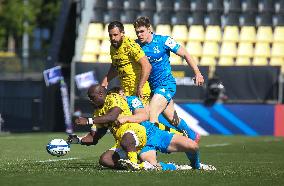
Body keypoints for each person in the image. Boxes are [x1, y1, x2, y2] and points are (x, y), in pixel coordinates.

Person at [111, 87, 215, 171]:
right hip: (142, 143)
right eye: (116, 97)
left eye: (121, 95)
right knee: (153, 166)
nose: (120, 98)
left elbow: (143, 116)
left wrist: (125, 119)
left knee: (193, 146)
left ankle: (196, 166)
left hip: (154, 133)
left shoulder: (132, 100)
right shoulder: (113, 111)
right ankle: (174, 167)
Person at [74, 84, 149, 169]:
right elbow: (93, 138)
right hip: (122, 142)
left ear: (101, 94)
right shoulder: (98, 111)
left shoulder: (113, 97)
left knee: (126, 139)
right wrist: (76, 140)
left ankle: (133, 163)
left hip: (135, 132)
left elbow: (112, 116)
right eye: (89, 98)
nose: (91, 100)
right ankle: (140, 166)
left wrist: (88, 121)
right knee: (105, 160)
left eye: (92, 97)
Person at [101, 21, 152, 106]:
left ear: (122, 33)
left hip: (139, 92)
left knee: (141, 118)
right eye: (110, 35)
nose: (113, 38)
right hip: (126, 92)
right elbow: (116, 66)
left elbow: (147, 66)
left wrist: (140, 87)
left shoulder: (130, 45)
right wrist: (106, 80)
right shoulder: (113, 47)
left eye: (115, 35)